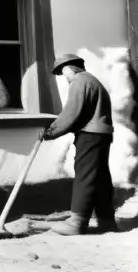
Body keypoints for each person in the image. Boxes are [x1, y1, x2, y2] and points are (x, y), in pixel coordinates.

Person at [42, 54, 117, 235]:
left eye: (62, 72)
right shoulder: (92, 80)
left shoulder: (79, 81)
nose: (64, 77)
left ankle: (76, 222)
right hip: (102, 134)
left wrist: (50, 131)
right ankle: (107, 221)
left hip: (90, 134)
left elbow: (72, 113)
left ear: (69, 68)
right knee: (100, 179)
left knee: (85, 175)